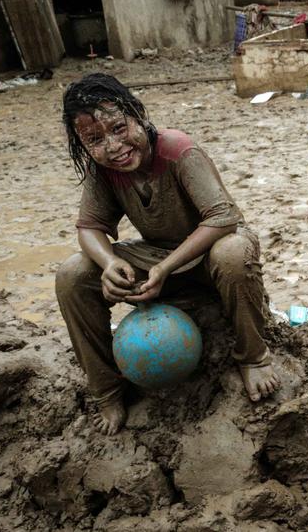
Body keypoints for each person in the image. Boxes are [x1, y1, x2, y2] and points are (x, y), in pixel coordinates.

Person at [55, 74, 279, 434]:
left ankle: (253, 357)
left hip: (208, 257)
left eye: (118, 128)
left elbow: (223, 218)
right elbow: (89, 228)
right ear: (84, 145)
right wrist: (110, 265)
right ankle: (107, 388)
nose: (113, 146)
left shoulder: (178, 150)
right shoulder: (105, 171)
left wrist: (165, 267)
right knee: (73, 274)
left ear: (137, 116)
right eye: (95, 140)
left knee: (233, 251)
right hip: (159, 259)